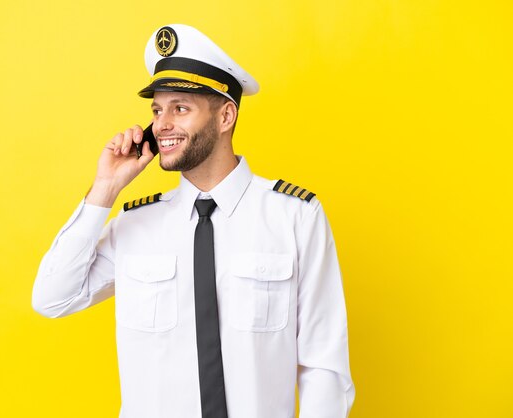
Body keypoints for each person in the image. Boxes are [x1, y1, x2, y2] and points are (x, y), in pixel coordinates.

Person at [32, 24, 355, 418]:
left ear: (226, 116)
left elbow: (324, 364)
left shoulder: (294, 217)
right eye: (156, 110)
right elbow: (52, 298)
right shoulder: (135, 225)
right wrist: (105, 188)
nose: (161, 124)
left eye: (179, 108)